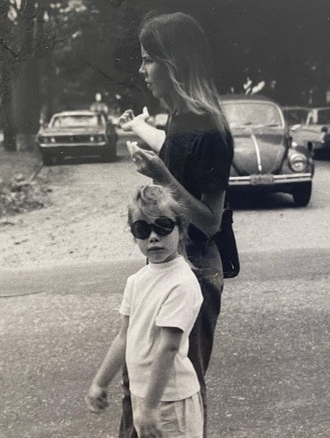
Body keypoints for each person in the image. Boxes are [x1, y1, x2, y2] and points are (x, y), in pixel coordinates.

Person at [117, 11, 234, 438]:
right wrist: (146, 136)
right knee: (140, 368)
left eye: (149, 59)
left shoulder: (212, 127)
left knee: (182, 383)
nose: (142, 69)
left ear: (174, 62)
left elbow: (210, 221)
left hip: (196, 269)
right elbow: (176, 166)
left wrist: (161, 174)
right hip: (166, 259)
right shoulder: (181, 119)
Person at [86, 184, 204, 438]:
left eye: (163, 226)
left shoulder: (181, 283)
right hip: (145, 394)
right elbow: (124, 336)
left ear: (181, 229)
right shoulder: (137, 280)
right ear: (134, 235)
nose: (153, 236)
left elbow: (169, 346)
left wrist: (150, 407)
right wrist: (100, 381)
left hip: (171, 399)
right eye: (142, 229)